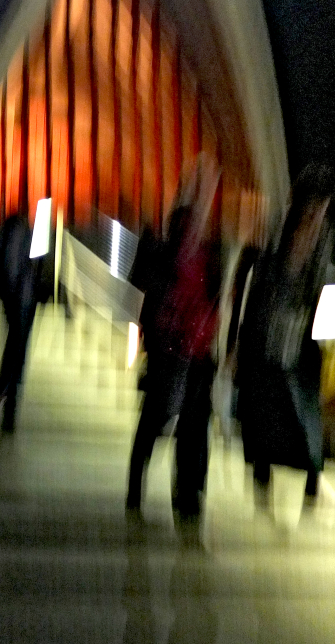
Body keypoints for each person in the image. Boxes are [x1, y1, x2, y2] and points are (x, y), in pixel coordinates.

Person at [125, 161, 223, 520]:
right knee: (154, 418)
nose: (208, 198)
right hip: (170, 349)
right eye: (202, 189)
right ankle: (136, 483)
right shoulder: (169, 239)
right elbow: (146, 282)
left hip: (198, 354)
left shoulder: (212, 251)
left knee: (196, 428)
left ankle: (189, 495)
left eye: (211, 190)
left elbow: (214, 298)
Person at [237, 165, 334, 510]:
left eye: (323, 208)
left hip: (302, 345)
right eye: (315, 206)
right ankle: (262, 480)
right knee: (266, 415)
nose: (318, 215)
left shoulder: (324, 239)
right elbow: (263, 284)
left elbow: (324, 287)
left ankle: (310, 483)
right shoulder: (281, 233)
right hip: (268, 339)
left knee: (305, 418)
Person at [0, 212, 43, 431]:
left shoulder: (11, 222)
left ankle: (3, 393)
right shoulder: (21, 224)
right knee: (18, 350)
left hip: (18, 295)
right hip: (22, 296)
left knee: (15, 347)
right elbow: (16, 261)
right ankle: (7, 399)